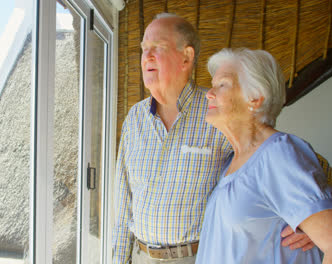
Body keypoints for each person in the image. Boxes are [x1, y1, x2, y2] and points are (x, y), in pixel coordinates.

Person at [113, 13, 314, 264]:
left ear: (186, 57)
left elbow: (282, 163)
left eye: (158, 48)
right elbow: (123, 199)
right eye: (144, 49)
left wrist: (312, 222)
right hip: (140, 256)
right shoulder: (135, 117)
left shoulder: (218, 112)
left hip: (198, 257)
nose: (147, 57)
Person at [196, 48, 332, 263]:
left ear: (255, 97)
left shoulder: (279, 155)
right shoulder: (232, 161)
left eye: (222, 85)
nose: (209, 93)